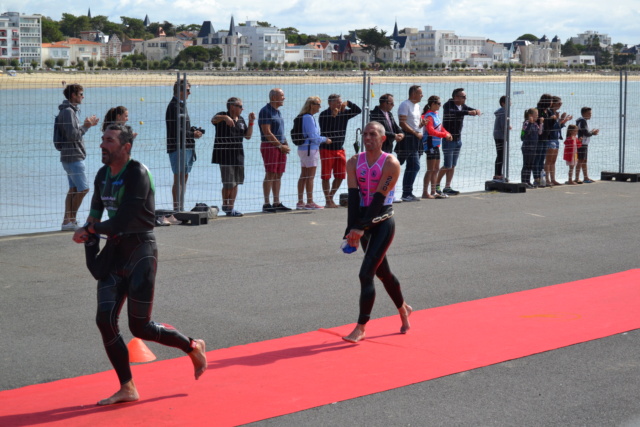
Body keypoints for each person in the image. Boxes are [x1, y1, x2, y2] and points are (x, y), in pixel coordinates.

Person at [72, 124, 207, 406]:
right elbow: (96, 216)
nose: (102, 145)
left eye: (108, 140)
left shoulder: (138, 173)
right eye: (102, 140)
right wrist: (86, 230)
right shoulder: (101, 175)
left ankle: (192, 346)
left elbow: (125, 220)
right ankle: (127, 387)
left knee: (140, 327)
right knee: (104, 320)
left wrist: (94, 230)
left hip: (141, 251)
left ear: (126, 146)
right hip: (115, 250)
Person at [342, 121, 412, 343]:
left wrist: (360, 228)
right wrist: (350, 230)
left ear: (383, 138)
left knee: (366, 274)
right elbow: (354, 198)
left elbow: (379, 200)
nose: (367, 137)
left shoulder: (391, 163)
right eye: (365, 134)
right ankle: (404, 309)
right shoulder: (354, 162)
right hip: (363, 221)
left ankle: (361, 327)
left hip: (382, 221)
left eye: (373, 134)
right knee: (383, 274)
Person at [54, 83, 100, 231]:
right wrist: (86, 126)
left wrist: (86, 125)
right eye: (81, 94)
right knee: (84, 189)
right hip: (73, 156)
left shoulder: (69, 111)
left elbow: (72, 133)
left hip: (69, 155)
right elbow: (73, 135)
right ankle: (71, 219)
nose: (83, 96)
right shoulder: (68, 112)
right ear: (73, 95)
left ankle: (67, 221)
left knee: (73, 188)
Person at [211, 97, 255, 217]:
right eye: (240, 107)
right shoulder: (222, 115)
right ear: (232, 107)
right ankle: (225, 205)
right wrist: (225, 118)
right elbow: (213, 120)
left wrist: (251, 122)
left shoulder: (240, 119)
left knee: (236, 182)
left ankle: (231, 207)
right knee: (228, 183)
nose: (242, 109)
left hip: (238, 155)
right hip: (225, 155)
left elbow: (248, 136)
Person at [319, 94, 362, 208]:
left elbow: (358, 110)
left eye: (340, 102)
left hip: (340, 149)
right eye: (337, 102)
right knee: (326, 176)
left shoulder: (344, 114)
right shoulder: (324, 115)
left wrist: (348, 103)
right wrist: (333, 116)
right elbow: (324, 129)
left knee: (341, 175)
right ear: (330, 103)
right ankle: (328, 200)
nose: (340, 104)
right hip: (327, 149)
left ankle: (330, 197)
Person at [165, 79, 203, 210]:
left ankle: (180, 206)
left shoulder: (181, 104)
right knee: (179, 177)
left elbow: (183, 127)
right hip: (177, 147)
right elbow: (176, 129)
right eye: (187, 90)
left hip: (186, 146)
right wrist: (192, 134)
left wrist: (193, 130)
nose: (189, 93)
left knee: (184, 177)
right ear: (179, 91)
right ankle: (177, 208)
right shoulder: (174, 106)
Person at [437, 88, 481, 195]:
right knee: (447, 165)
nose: (465, 99)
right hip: (448, 139)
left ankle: (447, 187)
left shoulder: (462, 106)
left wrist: (476, 110)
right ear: (456, 97)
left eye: (465, 97)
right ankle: (436, 184)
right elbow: (455, 113)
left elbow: (467, 109)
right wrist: (469, 112)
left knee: (452, 165)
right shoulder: (448, 105)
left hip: (458, 140)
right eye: (463, 97)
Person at [258, 88, 292, 213]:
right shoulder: (265, 111)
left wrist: (285, 143)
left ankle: (276, 202)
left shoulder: (277, 112)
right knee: (270, 173)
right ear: (274, 97)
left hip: (280, 146)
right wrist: (279, 145)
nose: (284, 98)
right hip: (270, 146)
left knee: (278, 174)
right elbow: (267, 132)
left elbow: (279, 130)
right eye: (282, 95)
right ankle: (267, 203)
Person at [296, 96, 331, 210]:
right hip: (310, 149)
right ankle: (309, 201)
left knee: (304, 175)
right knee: (310, 176)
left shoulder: (305, 117)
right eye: (318, 104)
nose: (320, 107)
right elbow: (313, 137)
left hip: (303, 149)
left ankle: (301, 202)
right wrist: (325, 139)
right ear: (311, 105)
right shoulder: (308, 118)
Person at [396, 85, 425, 201]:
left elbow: (415, 123)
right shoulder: (405, 104)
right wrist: (415, 132)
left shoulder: (417, 106)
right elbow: (402, 123)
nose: (422, 95)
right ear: (413, 94)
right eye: (420, 93)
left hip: (417, 138)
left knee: (412, 166)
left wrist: (422, 124)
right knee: (414, 165)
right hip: (408, 138)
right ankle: (406, 193)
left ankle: (407, 192)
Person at [421, 96, 452, 199]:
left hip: (436, 145)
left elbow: (441, 128)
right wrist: (444, 135)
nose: (440, 105)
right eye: (438, 103)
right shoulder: (429, 116)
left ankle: (433, 191)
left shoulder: (436, 115)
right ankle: (425, 192)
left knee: (436, 169)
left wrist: (447, 133)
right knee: (430, 169)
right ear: (433, 104)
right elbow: (430, 131)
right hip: (430, 144)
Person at [544, 96, 572, 186]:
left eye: (561, 103)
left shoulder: (556, 113)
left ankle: (553, 179)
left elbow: (557, 127)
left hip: (556, 138)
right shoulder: (549, 113)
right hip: (550, 138)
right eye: (559, 103)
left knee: (553, 161)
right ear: (554, 103)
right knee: (548, 160)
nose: (560, 105)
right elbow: (551, 127)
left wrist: (564, 121)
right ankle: (547, 179)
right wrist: (560, 120)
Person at [575, 107, 600, 184]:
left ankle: (586, 177)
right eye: (589, 113)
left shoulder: (582, 121)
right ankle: (577, 178)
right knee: (580, 160)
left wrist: (591, 132)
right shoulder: (582, 121)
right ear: (583, 113)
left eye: (591, 113)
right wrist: (593, 133)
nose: (590, 115)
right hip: (581, 143)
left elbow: (585, 132)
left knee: (584, 161)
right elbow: (585, 133)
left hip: (584, 143)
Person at [521, 108, 544, 189]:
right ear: (530, 115)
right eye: (536, 115)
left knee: (530, 165)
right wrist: (530, 124)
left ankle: (528, 181)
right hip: (527, 147)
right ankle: (524, 181)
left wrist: (541, 123)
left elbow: (540, 132)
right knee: (526, 165)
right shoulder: (526, 123)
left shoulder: (535, 124)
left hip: (534, 147)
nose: (537, 116)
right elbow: (523, 135)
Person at [535, 94, 554, 187]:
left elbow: (551, 124)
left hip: (546, 137)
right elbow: (538, 122)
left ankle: (542, 179)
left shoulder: (549, 111)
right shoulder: (538, 110)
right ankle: (536, 179)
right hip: (539, 137)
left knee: (542, 158)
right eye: (550, 101)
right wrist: (548, 119)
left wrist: (554, 119)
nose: (551, 103)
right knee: (537, 159)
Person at [492, 96, 510, 182]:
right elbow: (503, 126)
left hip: (498, 135)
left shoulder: (503, 112)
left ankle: (498, 173)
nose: (510, 103)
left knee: (500, 155)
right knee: (500, 155)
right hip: (500, 135)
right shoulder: (503, 112)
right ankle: (497, 174)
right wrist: (508, 126)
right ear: (503, 103)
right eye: (509, 101)